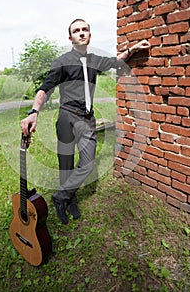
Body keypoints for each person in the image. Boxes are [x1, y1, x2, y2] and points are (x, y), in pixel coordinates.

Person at [21, 18, 150, 224]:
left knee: (87, 164)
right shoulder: (61, 62)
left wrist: (133, 49)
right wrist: (34, 111)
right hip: (66, 116)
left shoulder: (94, 60)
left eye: (85, 30)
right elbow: (45, 88)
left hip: (87, 119)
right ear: (70, 37)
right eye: (77, 30)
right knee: (66, 163)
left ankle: (60, 197)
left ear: (89, 35)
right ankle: (69, 201)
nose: (81, 33)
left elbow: (116, 62)